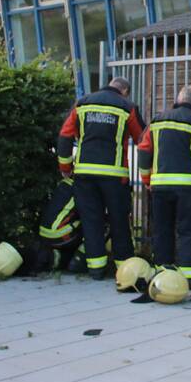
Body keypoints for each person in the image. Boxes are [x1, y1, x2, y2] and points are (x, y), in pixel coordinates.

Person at [57, 76, 145, 280]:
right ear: (125, 91)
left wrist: (65, 167)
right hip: (115, 176)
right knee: (119, 221)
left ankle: (96, 269)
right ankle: (124, 270)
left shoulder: (83, 103)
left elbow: (65, 135)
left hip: (85, 175)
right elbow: (142, 138)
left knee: (91, 221)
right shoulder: (127, 106)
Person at [137, 85, 191, 289]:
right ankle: (190, 278)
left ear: (177, 99)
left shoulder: (157, 120)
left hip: (160, 186)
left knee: (162, 230)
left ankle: (162, 274)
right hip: (188, 187)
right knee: (189, 231)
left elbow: (143, 151)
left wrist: (147, 180)